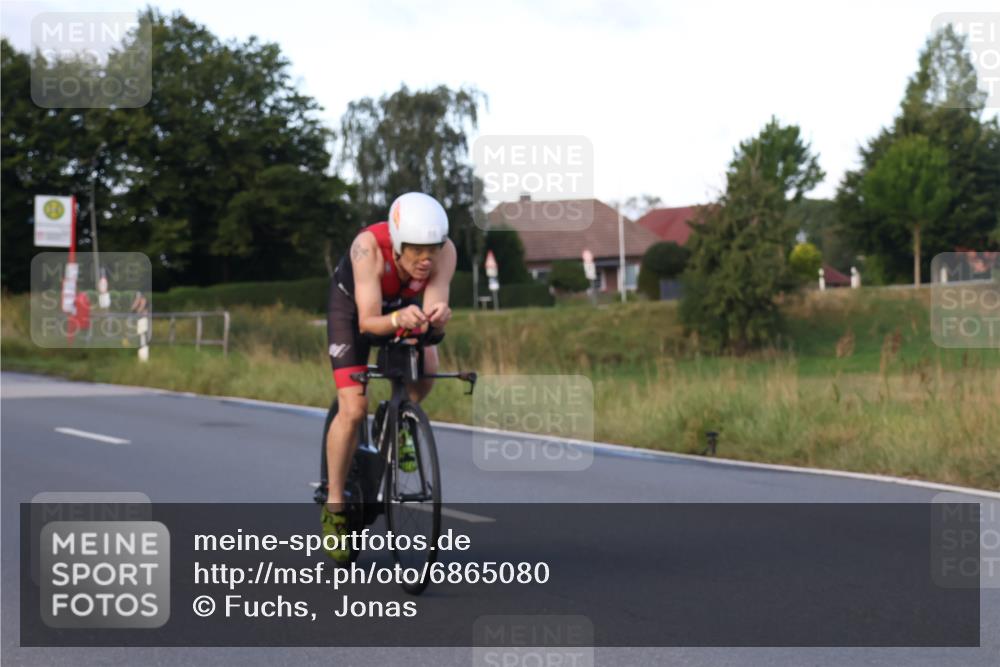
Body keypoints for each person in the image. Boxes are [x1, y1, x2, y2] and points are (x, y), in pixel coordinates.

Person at [323, 192, 456, 563]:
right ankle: (334, 506)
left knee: (428, 360)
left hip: (400, 306)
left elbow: (432, 308)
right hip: (355, 310)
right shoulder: (367, 248)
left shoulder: (445, 253)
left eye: (433, 249)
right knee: (352, 408)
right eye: (416, 251)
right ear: (397, 245)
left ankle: (400, 420)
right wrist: (398, 320)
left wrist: (437, 317)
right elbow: (368, 323)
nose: (427, 260)